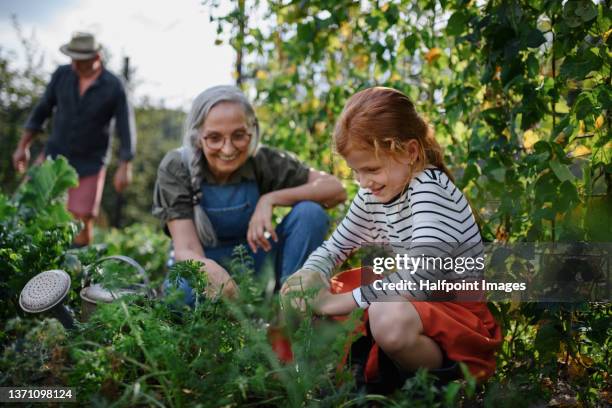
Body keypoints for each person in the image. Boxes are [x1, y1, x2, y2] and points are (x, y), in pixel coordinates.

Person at [281, 87, 502, 384]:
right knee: (303, 288)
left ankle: (441, 385)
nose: (363, 182)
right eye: (355, 172)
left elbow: (422, 279)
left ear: (410, 152)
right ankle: (334, 375)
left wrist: (335, 303)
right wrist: (311, 273)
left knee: (387, 317)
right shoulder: (376, 191)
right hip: (415, 304)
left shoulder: (429, 189)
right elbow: (336, 247)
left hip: (455, 314)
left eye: (371, 169)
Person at [152, 85, 347, 302]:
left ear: (252, 131)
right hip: (201, 264)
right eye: (214, 138)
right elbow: (186, 249)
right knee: (184, 294)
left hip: (255, 263)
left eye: (239, 136)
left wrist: (270, 199)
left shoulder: (262, 161)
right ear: (198, 137)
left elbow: (335, 189)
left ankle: (292, 305)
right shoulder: (177, 166)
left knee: (310, 213)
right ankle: (239, 313)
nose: (228, 149)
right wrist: (217, 278)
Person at [12, 31, 136, 247]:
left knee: (80, 221)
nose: (75, 65)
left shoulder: (114, 85)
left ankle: (77, 271)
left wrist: (125, 164)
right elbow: (42, 110)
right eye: (73, 59)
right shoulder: (63, 75)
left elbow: (126, 126)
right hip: (54, 155)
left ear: (97, 58)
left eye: (81, 61)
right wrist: (23, 146)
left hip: (89, 163)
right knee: (27, 204)